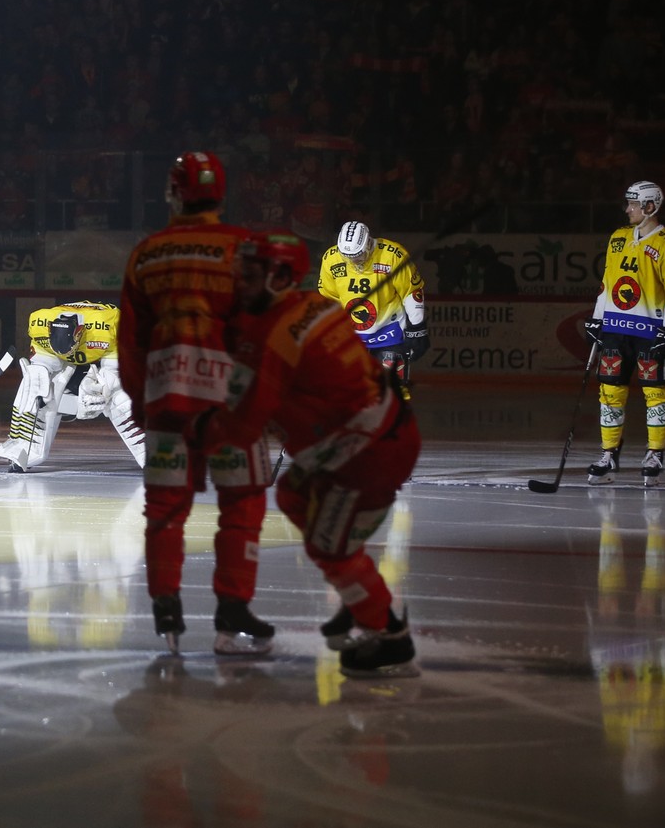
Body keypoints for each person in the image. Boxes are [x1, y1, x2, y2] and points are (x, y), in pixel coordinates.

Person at [192, 229, 420, 677]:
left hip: (365, 454)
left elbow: (242, 424)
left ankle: (390, 635)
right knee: (294, 495)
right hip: (365, 439)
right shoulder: (312, 307)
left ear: (279, 278)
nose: (240, 282)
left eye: (250, 274)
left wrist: (191, 426)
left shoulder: (274, 337)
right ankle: (359, 599)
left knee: (327, 547)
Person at [117, 151, 276, 655]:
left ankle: (167, 611)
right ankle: (232, 612)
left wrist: (144, 405)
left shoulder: (146, 254)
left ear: (172, 192)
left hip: (167, 404)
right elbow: (265, 331)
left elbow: (130, 342)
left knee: (164, 512)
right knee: (242, 507)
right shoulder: (244, 250)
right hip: (232, 411)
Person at [582, 181, 665, 487]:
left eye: (633, 204)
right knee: (610, 392)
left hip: (651, 332)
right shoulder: (618, 238)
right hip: (616, 328)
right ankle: (609, 454)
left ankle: (654, 454)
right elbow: (607, 281)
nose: (627, 209)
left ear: (650, 207)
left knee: (656, 393)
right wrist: (596, 317)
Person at [0, 301, 143, 471]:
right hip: (64, 366)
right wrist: (40, 381)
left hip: (106, 360)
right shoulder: (39, 324)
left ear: (79, 334)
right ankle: (24, 446)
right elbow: (44, 364)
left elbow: (119, 370)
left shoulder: (111, 327)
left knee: (119, 395)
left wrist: (100, 384)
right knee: (35, 379)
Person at [317, 220, 430, 395]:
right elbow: (328, 298)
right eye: (348, 256)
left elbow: (411, 292)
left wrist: (418, 328)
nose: (353, 261)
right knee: (346, 392)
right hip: (350, 336)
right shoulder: (331, 259)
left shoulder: (393, 255)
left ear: (369, 243)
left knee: (393, 392)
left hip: (390, 332)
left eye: (358, 255)